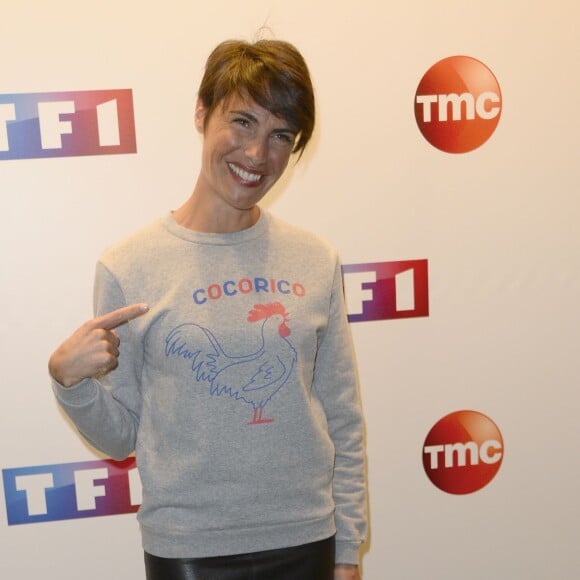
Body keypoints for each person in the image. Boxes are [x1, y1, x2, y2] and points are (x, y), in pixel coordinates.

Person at [49, 38, 367, 580]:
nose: (256, 154)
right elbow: (123, 434)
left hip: (307, 536)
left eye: (280, 136)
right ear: (201, 113)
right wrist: (69, 383)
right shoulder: (130, 265)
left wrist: (347, 549)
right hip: (189, 549)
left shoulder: (315, 259)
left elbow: (341, 413)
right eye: (242, 122)